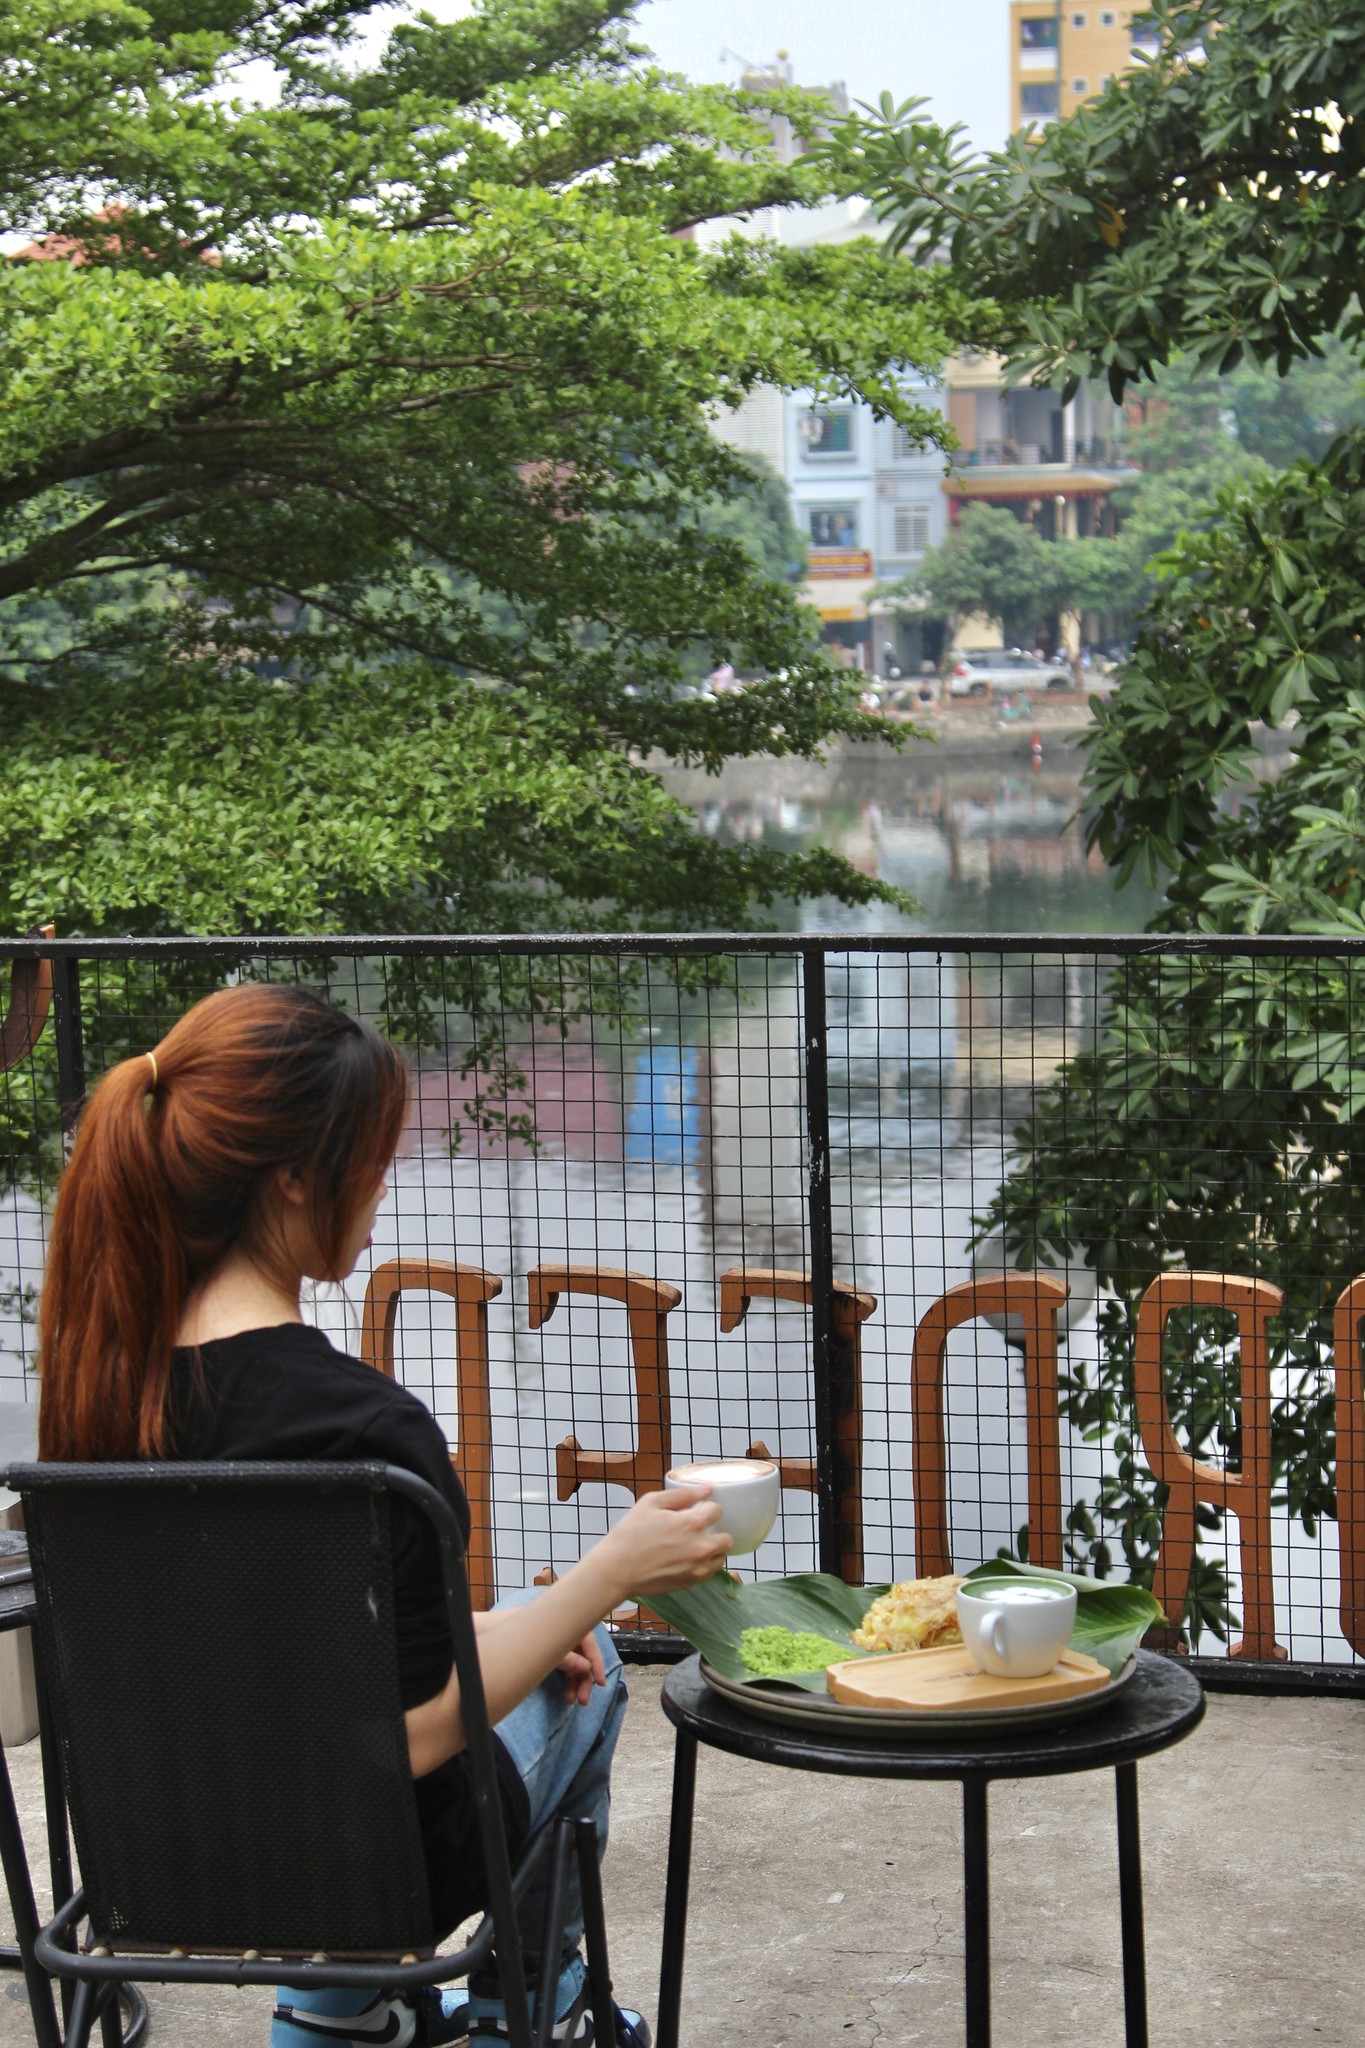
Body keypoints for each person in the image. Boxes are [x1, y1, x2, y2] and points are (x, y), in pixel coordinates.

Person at [37, 985, 731, 2048]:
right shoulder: (363, 1428)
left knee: (543, 1645)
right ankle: (525, 2006)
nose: (385, 1182)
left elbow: (300, 1664)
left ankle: (347, 2015)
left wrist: (525, 1630)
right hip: (379, 1862)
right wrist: (605, 1575)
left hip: (164, 1857)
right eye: (373, 1156)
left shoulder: (97, 1394)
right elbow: (400, 1733)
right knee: (587, 1675)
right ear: (295, 1182)